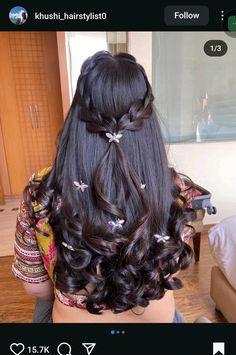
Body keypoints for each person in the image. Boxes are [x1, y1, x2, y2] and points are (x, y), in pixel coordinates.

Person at [12, 51, 194, 323]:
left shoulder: (41, 191)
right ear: (148, 126)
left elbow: (36, 287)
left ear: (76, 120)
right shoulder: (173, 189)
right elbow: (170, 271)